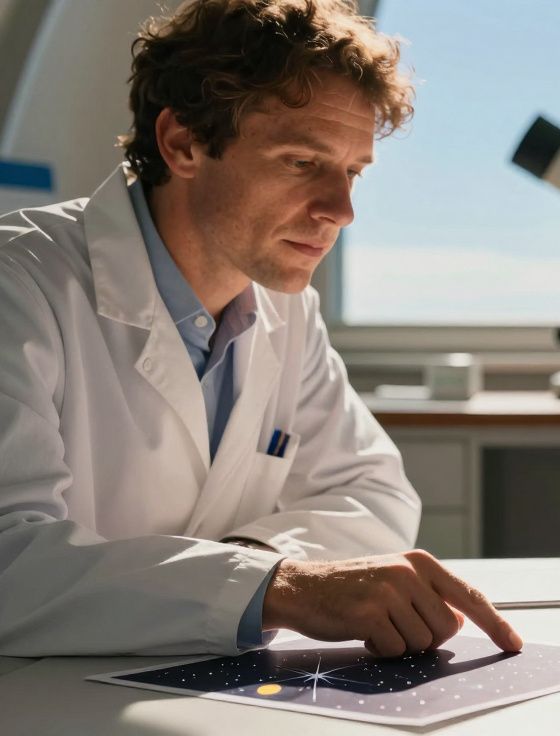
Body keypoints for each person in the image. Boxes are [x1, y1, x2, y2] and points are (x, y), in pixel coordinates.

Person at [0, 0, 521, 658]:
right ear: (183, 143)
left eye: (352, 172)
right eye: (302, 162)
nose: (342, 210)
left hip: (191, 679)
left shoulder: (284, 309)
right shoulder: (18, 286)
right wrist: (273, 588)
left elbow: (374, 493)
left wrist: (253, 570)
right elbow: (10, 563)